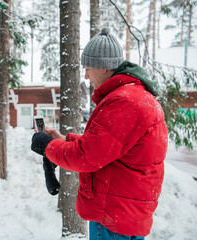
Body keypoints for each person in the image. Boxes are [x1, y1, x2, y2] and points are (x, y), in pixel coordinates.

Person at [31, 28, 168, 240]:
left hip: (113, 216)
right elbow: (108, 148)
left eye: (87, 68)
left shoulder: (125, 101)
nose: (86, 75)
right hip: (125, 212)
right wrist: (63, 140)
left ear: (103, 67)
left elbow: (86, 157)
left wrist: (47, 146)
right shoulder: (135, 97)